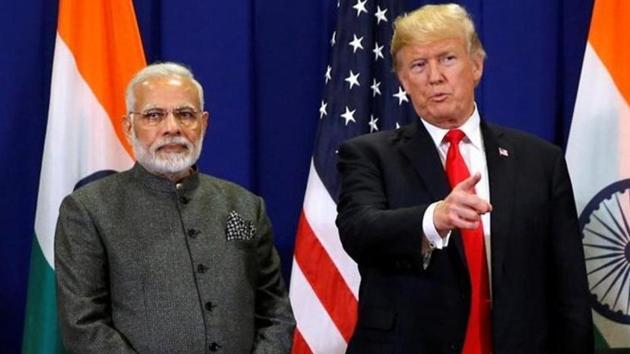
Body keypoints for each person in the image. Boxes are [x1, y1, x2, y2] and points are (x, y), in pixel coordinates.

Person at [335, 4, 593, 354]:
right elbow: (359, 231)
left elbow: (569, 288)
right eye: (418, 65)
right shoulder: (368, 155)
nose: (435, 76)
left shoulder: (539, 160)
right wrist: (434, 218)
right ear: (403, 80)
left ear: (476, 66)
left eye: (447, 59)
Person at [54, 62, 295, 353]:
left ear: (203, 123)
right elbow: (84, 325)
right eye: (154, 115)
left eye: (185, 114)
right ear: (129, 126)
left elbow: (275, 313)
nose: (172, 128)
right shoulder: (88, 210)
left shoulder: (245, 205)